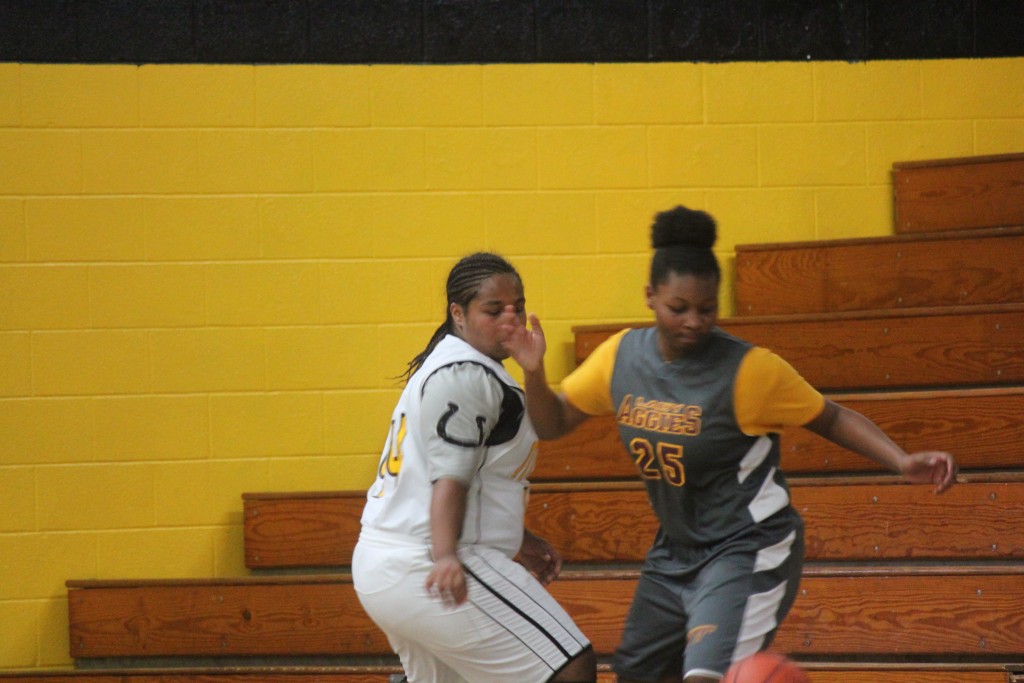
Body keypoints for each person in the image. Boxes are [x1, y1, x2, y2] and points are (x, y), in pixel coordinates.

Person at [502, 206, 958, 683]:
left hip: (747, 547)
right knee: (635, 674)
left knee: (708, 676)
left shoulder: (750, 370)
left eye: (707, 308)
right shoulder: (621, 358)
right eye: (679, 308)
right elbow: (551, 424)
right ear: (651, 297)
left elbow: (833, 417)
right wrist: (533, 371)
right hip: (675, 550)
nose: (695, 322)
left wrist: (901, 460)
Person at [352, 252, 597, 683]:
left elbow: (497, 463)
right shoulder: (467, 375)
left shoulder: (459, 365)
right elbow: (451, 478)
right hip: (426, 557)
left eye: (517, 306)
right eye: (493, 309)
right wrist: (447, 556)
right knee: (570, 666)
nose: (510, 317)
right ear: (458, 314)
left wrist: (518, 537)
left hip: (388, 562)